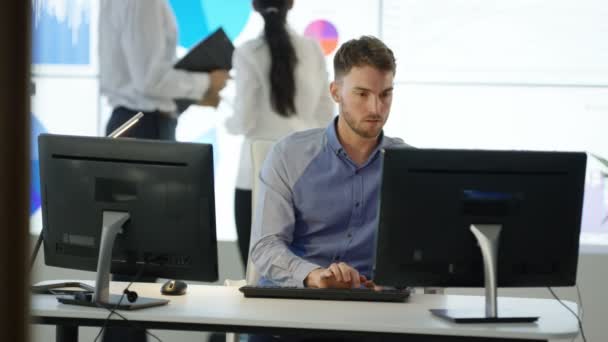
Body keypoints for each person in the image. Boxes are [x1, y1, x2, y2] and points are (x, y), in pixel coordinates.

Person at [250, 35, 409, 290]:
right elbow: (265, 246)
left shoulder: (408, 165)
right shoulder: (289, 155)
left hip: (371, 308)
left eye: (385, 94)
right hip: (295, 303)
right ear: (336, 92)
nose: (376, 108)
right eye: (362, 94)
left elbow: (420, 255)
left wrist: (394, 283)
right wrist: (314, 276)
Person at [225, 0, 334, 269]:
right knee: (304, 273)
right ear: (291, 4)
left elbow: (243, 121)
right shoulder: (312, 50)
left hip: (253, 177)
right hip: (305, 176)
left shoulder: (247, 52)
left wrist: (227, 118)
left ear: (255, 6)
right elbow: (325, 116)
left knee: (254, 274)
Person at [99, 0, 229, 141]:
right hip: (144, 125)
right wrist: (208, 82)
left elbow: (138, 73)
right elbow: (150, 81)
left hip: (134, 122)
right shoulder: (146, 3)